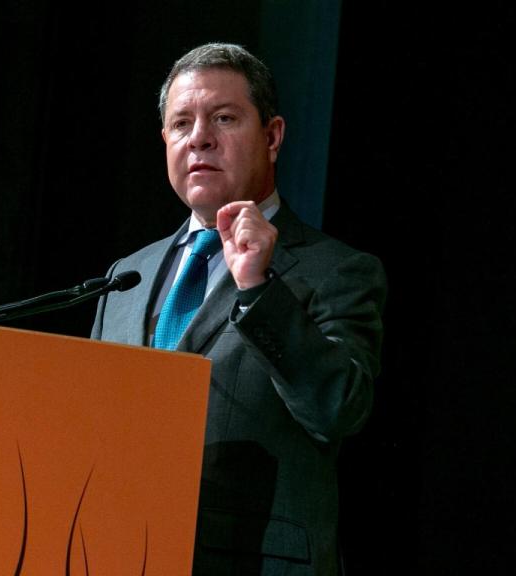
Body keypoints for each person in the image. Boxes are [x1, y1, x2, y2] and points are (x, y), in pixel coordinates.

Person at [90, 43, 386, 576]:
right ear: (165, 142)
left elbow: (339, 409)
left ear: (272, 137)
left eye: (223, 118)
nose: (199, 137)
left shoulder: (336, 270)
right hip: (122, 553)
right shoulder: (124, 277)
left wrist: (257, 290)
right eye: (181, 123)